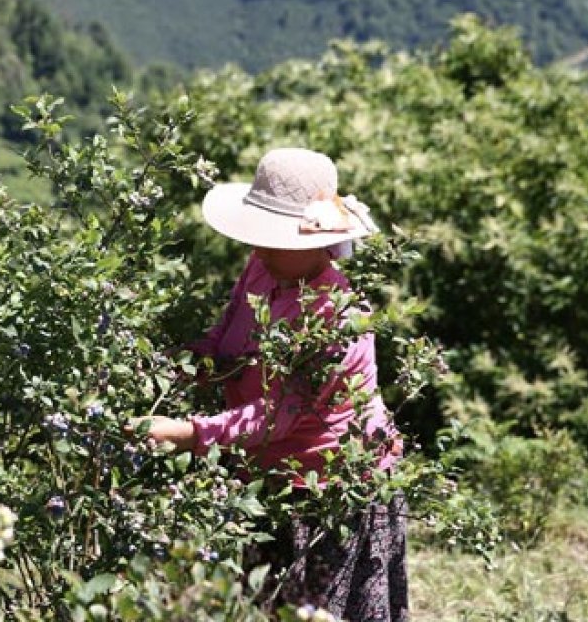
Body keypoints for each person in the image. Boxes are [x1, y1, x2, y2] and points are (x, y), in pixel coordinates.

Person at [136, 148, 407, 620]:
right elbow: (228, 331)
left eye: (273, 239)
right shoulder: (263, 268)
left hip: (328, 488)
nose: (259, 248)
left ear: (317, 244)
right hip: (266, 471)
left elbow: (277, 417)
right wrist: (189, 362)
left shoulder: (334, 317)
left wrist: (187, 434)